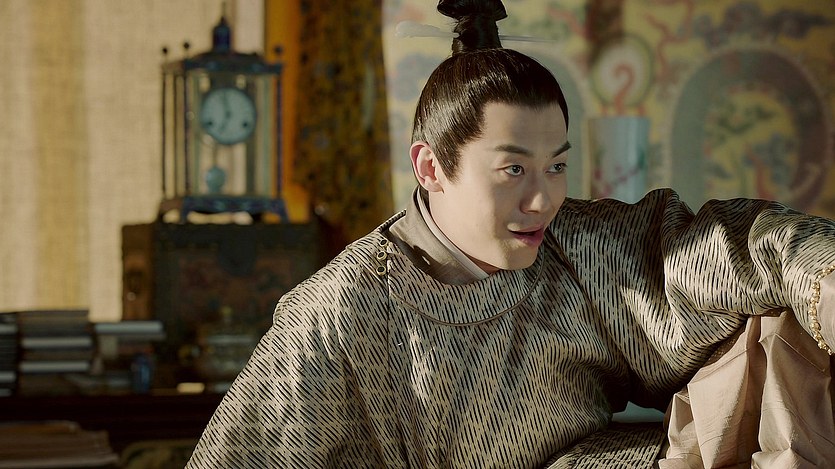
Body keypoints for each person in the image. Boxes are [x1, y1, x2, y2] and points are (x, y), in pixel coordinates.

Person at [187, 0, 835, 467]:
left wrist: (823, 278)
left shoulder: (570, 241)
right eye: (513, 170)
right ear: (431, 168)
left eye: (556, 165)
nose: (542, 198)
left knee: (782, 335)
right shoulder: (335, 314)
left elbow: (725, 248)